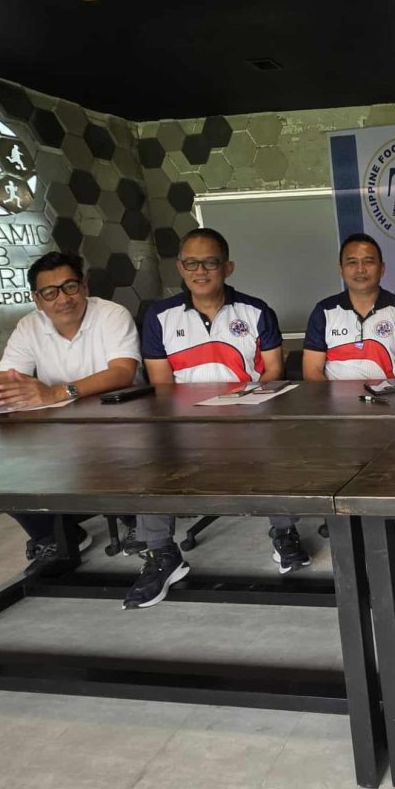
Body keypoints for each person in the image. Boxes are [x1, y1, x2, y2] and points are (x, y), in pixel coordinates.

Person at [130, 228, 296, 609]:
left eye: (210, 263)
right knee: (148, 457)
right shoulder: (160, 316)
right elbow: (161, 385)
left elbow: (274, 371)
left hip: (251, 419)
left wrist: (244, 405)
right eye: (191, 263)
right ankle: (162, 555)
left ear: (227, 267)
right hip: (185, 425)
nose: (200, 271)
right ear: (180, 267)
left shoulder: (255, 311)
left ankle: (285, 533)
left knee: (286, 446)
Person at [0, 251, 140, 575]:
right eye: (50, 292)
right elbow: (6, 375)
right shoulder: (29, 325)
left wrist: (55, 392)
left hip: (120, 417)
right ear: (37, 299)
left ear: (84, 285)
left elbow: (122, 372)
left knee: (120, 451)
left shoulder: (111, 314)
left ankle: (136, 519)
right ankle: (55, 535)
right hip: (58, 426)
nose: (63, 299)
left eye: (70, 286)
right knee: (1, 469)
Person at [303, 233, 395, 381]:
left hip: (392, 394)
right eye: (352, 262)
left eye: (368, 261)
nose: (360, 269)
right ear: (341, 270)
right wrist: (329, 396)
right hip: (334, 396)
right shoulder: (324, 311)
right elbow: (312, 371)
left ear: (382, 269)